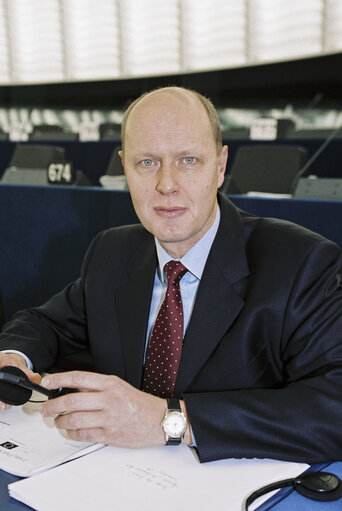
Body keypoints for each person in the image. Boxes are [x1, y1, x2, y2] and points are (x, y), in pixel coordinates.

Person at [0, 86, 342, 464]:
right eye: (147, 162)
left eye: (189, 160)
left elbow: (335, 407)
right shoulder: (111, 252)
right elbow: (45, 323)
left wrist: (171, 420)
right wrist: (12, 358)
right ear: (124, 166)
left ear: (221, 165)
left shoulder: (301, 263)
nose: (166, 184)